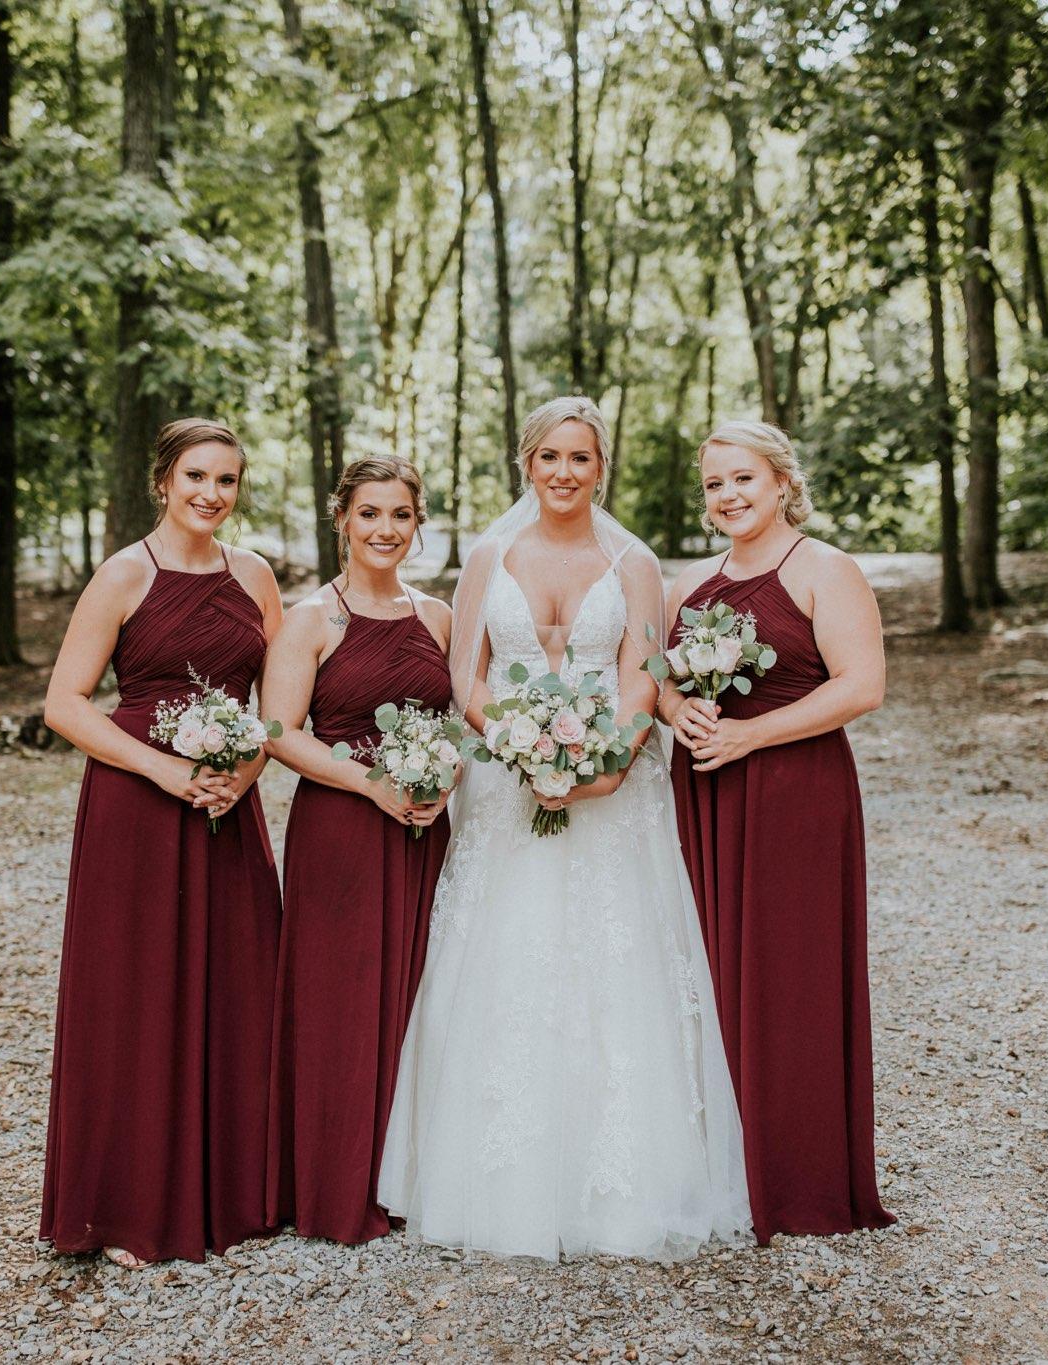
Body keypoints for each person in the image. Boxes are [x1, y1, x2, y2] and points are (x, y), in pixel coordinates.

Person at [376, 397, 751, 1261]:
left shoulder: (634, 561)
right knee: (503, 957)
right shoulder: (489, 556)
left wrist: (605, 762)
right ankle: (492, 1177)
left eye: (581, 458)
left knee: (615, 967)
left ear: (601, 466)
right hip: (508, 794)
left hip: (615, 797)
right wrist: (515, 743)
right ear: (526, 461)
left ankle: (623, 1182)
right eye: (549, 456)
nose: (564, 473)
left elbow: (641, 677)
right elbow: (463, 673)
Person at [39, 418, 284, 1265]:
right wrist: (163, 771)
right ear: (163, 480)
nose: (211, 493)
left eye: (227, 480)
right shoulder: (122, 574)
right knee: (135, 994)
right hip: (138, 807)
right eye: (196, 476)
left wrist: (244, 772)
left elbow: (282, 700)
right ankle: (126, 1205)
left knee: (240, 980)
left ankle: (235, 1189)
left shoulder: (254, 575)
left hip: (227, 804)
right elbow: (65, 702)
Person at [662, 419, 895, 1238]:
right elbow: (657, 678)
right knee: (712, 966)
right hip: (705, 789)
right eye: (714, 484)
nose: (728, 496)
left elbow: (863, 684)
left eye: (743, 479)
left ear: (783, 482)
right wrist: (678, 708)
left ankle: (801, 1176)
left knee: (791, 975)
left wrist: (751, 733)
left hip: (796, 789)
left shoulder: (825, 569)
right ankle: (729, 1165)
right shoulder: (690, 583)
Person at [261, 456, 455, 1245]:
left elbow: (460, 718)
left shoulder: (439, 615)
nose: (385, 529)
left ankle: (405, 1172)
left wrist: (444, 776)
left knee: (418, 991)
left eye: (400, 515)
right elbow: (279, 732)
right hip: (343, 826)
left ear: (417, 522)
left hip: (423, 826)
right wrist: (372, 783)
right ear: (341, 518)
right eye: (369, 513)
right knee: (340, 1001)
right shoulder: (313, 619)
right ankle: (334, 1187)